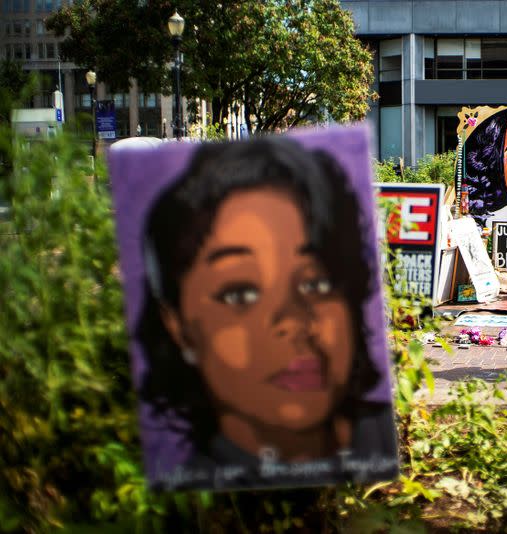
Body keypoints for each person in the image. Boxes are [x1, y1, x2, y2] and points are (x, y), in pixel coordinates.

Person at [135, 138, 397, 490]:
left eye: (317, 283)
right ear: (178, 325)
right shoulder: (194, 495)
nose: (293, 321)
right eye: (241, 293)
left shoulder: (384, 442)